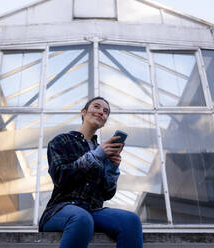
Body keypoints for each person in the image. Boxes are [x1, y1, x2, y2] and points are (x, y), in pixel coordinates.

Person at [39, 96, 143, 248]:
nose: (101, 112)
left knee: (131, 221)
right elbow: (60, 177)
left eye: (106, 111)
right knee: (81, 218)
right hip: (61, 209)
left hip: (93, 211)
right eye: (96, 107)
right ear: (83, 112)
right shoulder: (61, 141)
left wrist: (112, 168)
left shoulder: (102, 150)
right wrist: (95, 156)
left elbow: (107, 193)